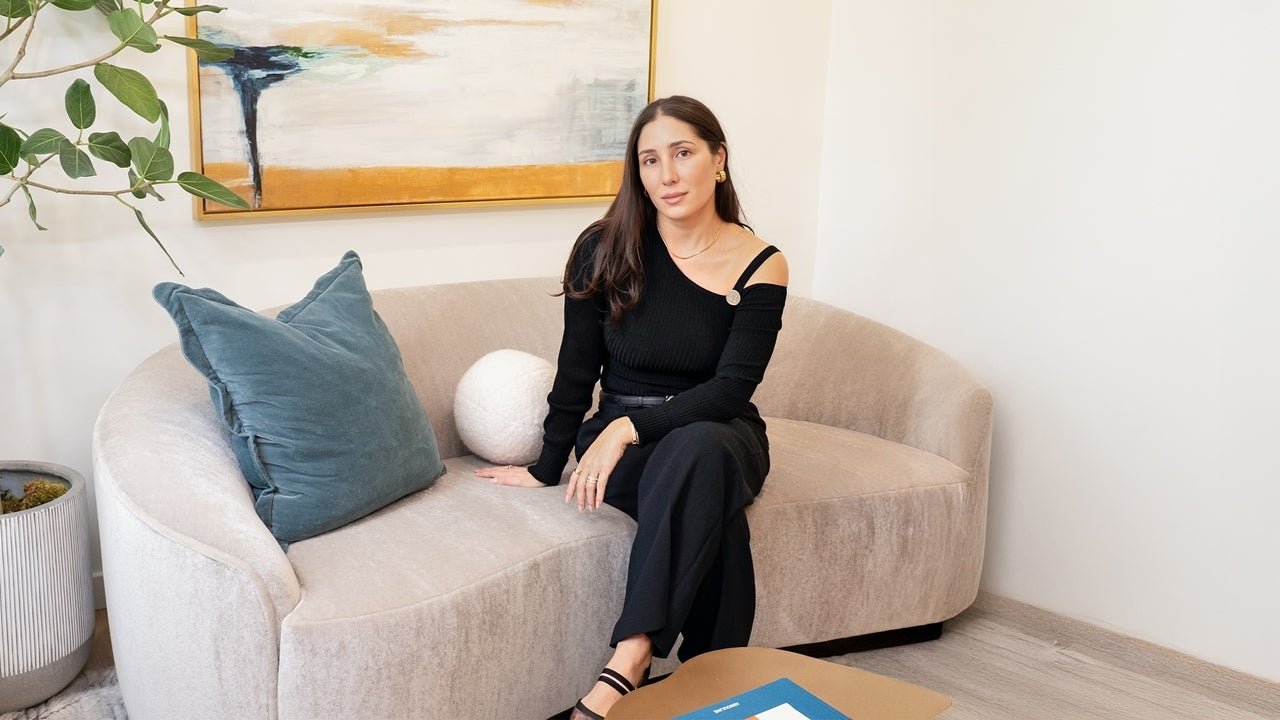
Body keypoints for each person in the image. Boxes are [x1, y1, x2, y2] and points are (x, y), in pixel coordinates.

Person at [475, 95, 788, 720]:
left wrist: (628, 427)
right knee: (713, 504)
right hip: (625, 443)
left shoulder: (761, 264)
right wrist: (547, 464)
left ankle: (632, 655)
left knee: (700, 448)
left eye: (683, 153)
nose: (666, 174)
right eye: (649, 160)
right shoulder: (604, 247)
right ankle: (715, 678)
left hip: (720, 429)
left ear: (718, 160)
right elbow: (576, 369)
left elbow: (731, 390)